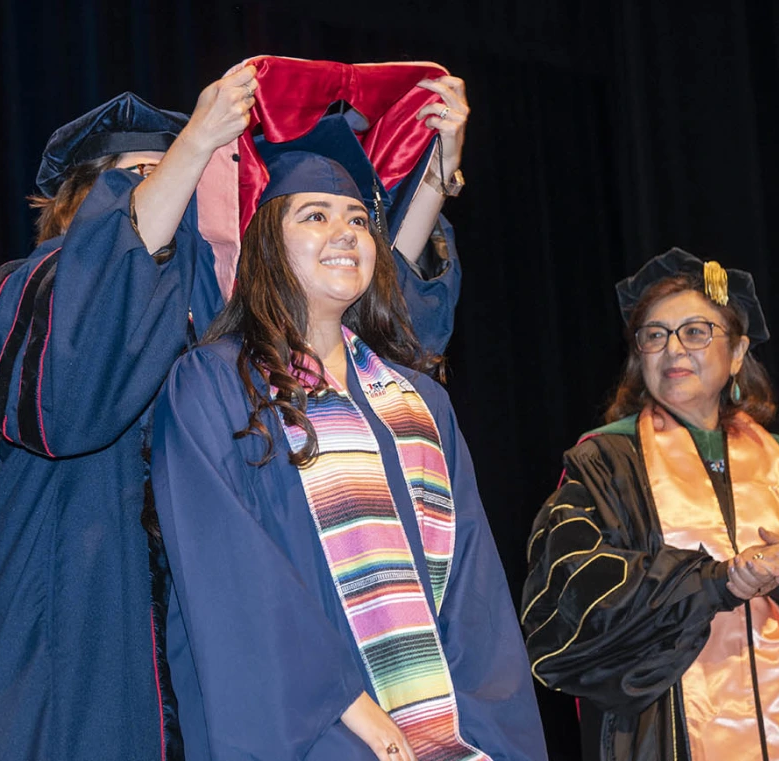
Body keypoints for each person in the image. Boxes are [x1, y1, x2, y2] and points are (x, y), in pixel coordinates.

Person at [0, 61, 469, 760]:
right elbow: (71, 394)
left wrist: (434, 174)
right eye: (135, 174)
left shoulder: (214, 332)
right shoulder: (33, 293)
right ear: (77, 203)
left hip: (201, 630)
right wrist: (194, 145)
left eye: (173, 172)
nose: (165, 188)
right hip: (73, 613)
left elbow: (360, 329)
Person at [151, 123, 548, 760]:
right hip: (316, 728)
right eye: (315, 215)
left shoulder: (419, 402)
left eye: (360, 221)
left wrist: (488, 730)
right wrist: (337, 700)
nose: (347, 234)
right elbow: (228, 574)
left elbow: (473, 584)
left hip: (447, 733)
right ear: (265, 245)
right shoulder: (214, 386)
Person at [520, 248, 779, 760]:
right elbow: (569, 601)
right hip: (662, 738)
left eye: (695, 332)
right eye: (654, 335)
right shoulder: (603, 466)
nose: (673, 350)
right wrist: (712, 584)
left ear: (737, 353)